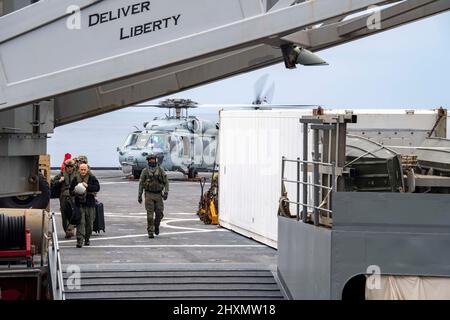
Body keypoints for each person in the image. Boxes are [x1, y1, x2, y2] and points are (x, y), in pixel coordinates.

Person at [138, 154, 169, 238]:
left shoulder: (160, 170)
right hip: (149, 195)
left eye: (153, 160)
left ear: (156, 160)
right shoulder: (145, 171)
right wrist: (139, 195)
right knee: (150, 215)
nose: (152, 161)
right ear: (148, 161)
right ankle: (150, 231)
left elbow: (166, 182)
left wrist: (166, 192)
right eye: (150, 160)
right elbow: (141, 183)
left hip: (158, 195)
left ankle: (156, 225)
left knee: (159, 214)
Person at [70, 163, 100, 248]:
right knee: (80, 223)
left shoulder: (92, 178)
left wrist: (88, 186)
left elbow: (97, 187)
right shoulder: (75, 178)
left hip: (90, 204)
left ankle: (87, 239)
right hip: (79, 204)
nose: (83, 171)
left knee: (89, 224)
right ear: (79, 170)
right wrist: (76, 191)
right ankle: (79, 240)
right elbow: (70, 191)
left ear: (87, 170)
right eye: (81, 169)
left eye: (84, 169)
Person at [51, 159, 76, 239]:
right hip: (64, 196)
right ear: (65, 166)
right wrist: (59, 181)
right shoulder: (61, 174)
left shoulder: (77, 174)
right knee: (64, 214)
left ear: (73, 166)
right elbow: (53, 183)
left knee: (74, 212)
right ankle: (67, 230)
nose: (69, 168)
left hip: (74, 195)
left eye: (71, 166)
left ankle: (70, 229)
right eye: (67, 166)